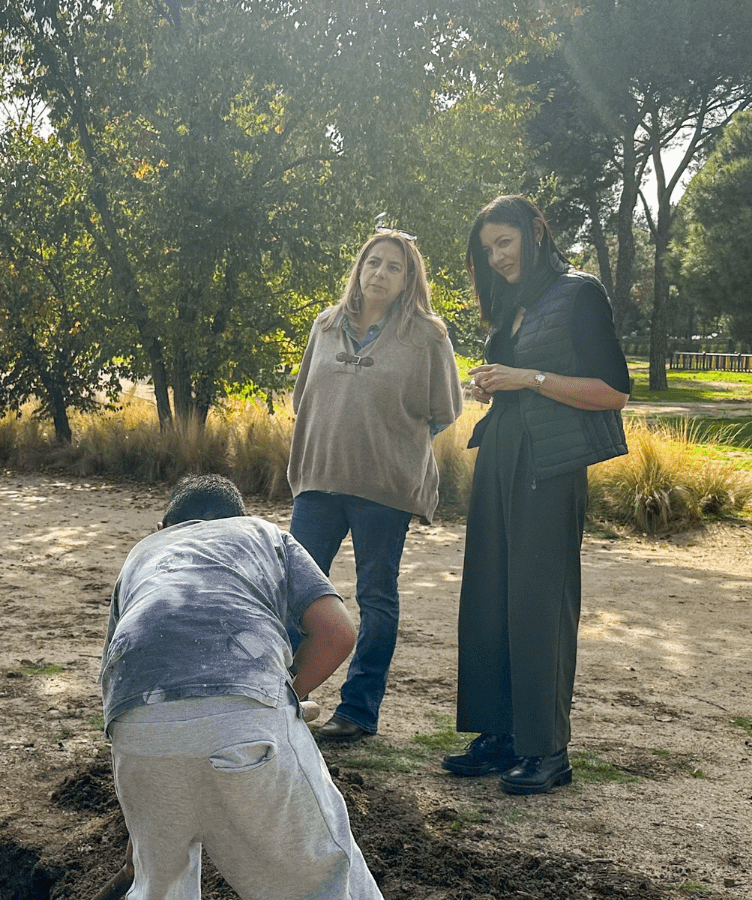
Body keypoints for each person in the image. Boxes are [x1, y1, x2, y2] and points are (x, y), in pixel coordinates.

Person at [101, 474, 383, 900]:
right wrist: (286, 696)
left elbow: (125, 677)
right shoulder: (264, 534)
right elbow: (337, 633)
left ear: (161, 529)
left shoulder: (142, 554)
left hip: (137, 733)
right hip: (247, 725)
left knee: (161, 888)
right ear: (242, 517)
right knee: (322, 881)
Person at [442, 195, 629, 796]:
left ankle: (547, 750)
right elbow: (516, 381)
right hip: (499, 455)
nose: (496, 257)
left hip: (550, 466)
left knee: (539, 602)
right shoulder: (509, 306)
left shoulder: (580, 293)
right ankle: (498, 735)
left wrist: (528, 378)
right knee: (489, 594)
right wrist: (498, 381)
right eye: (487, 249)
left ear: (536, 230)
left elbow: (612, 392)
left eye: (505, 242)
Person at [288, 230, 462, 743]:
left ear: (410, 280)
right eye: (374, 263)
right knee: (290, 594)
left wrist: (389, 444)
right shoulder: (325, 325)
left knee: (376, 597)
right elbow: (304, 399)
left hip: (384, 490)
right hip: (318, 479)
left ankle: (357, 713)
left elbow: (443, 411)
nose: (380, 274)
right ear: (359, 269)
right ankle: (280, 694)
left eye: (394, 267)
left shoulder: (427, 336)